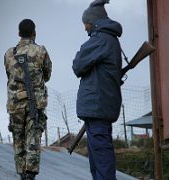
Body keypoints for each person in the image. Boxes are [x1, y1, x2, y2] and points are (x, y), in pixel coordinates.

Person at [72, 0, 122, 179]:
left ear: (93, 22)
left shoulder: (100, 40)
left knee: (101, 161)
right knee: (98, 162)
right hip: (99, 107)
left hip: (97, 107)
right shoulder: (110, 40)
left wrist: (80, 54)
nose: (85, 28)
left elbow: (77, 65)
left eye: (85, 23)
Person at [4, 19, 52, 180]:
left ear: (19, 34)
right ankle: (30, 175)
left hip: (15, 104)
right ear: (34, 33)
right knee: (33, 138)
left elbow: (9, 75)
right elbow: (47, 75)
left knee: (18, 139)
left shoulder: (9, 53)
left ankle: (21, 173)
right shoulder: (41, 51)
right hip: (34, 103)